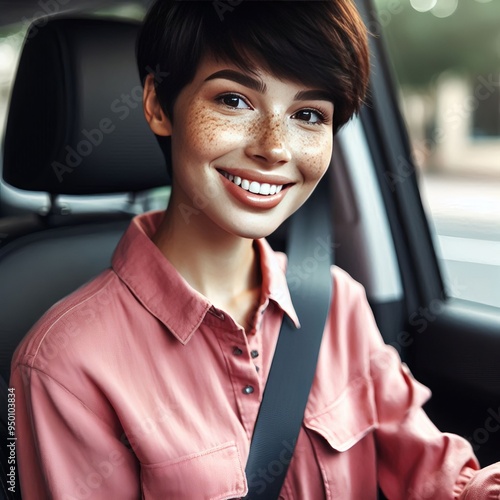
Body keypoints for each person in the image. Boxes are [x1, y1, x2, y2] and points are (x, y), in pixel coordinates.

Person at [10, 0, 500, 498]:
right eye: (235, 101)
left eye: (308, 114)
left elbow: (439, 479)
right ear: (158, 104)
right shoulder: (65, 365)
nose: (274, 147)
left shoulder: (337, 304)